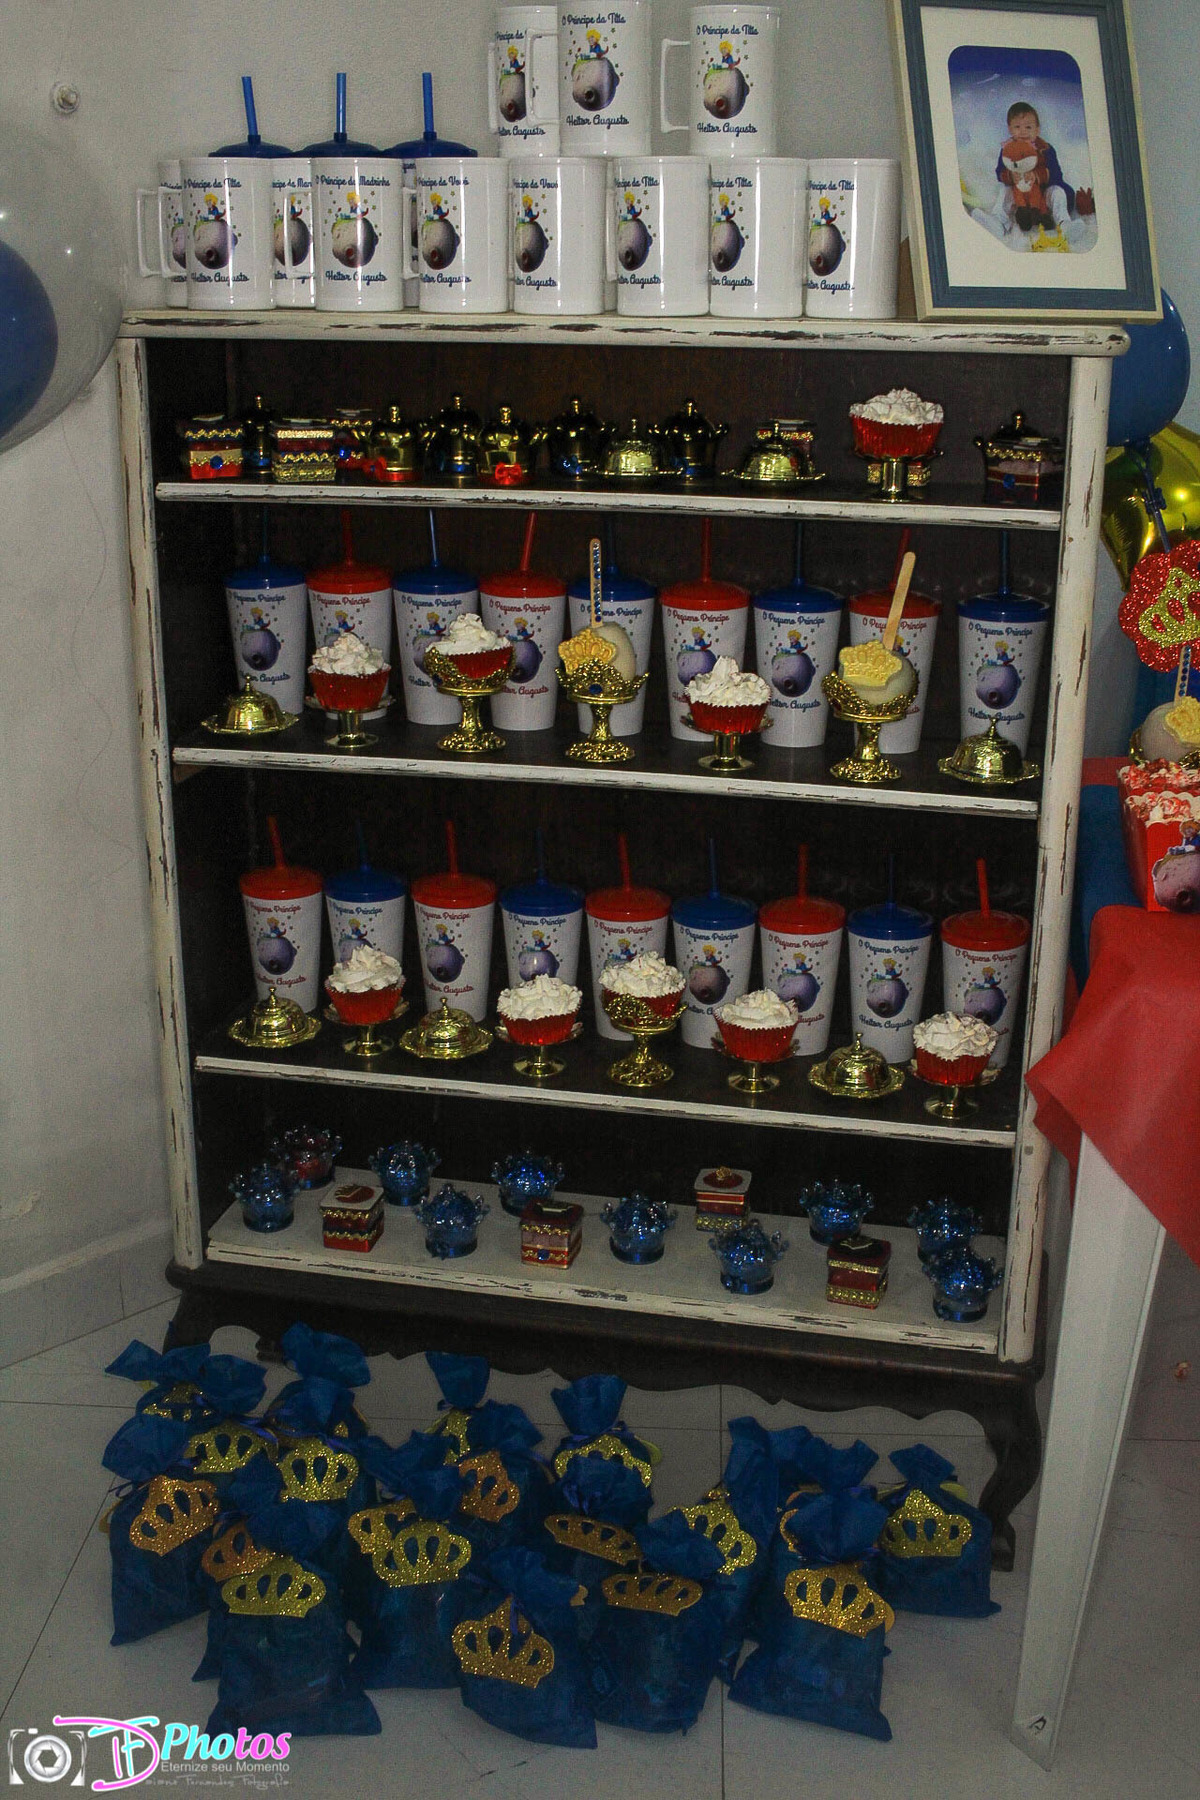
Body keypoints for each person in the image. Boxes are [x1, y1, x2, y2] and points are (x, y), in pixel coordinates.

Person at [993, 101, 1074, 235]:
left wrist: (1037, 176)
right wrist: (1010, 176)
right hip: (1019, 197)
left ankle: (1064, 224)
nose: (1023, 131)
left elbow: (1056, 174)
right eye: (1017, 127)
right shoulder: (1007, 150)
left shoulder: (1045, 149)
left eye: (1028, 127)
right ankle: (999, 222)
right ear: (1010, 129)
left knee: (1058, 192)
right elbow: (999, 172)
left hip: (1043, 196)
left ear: (1037, 130)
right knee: (1004, 191)